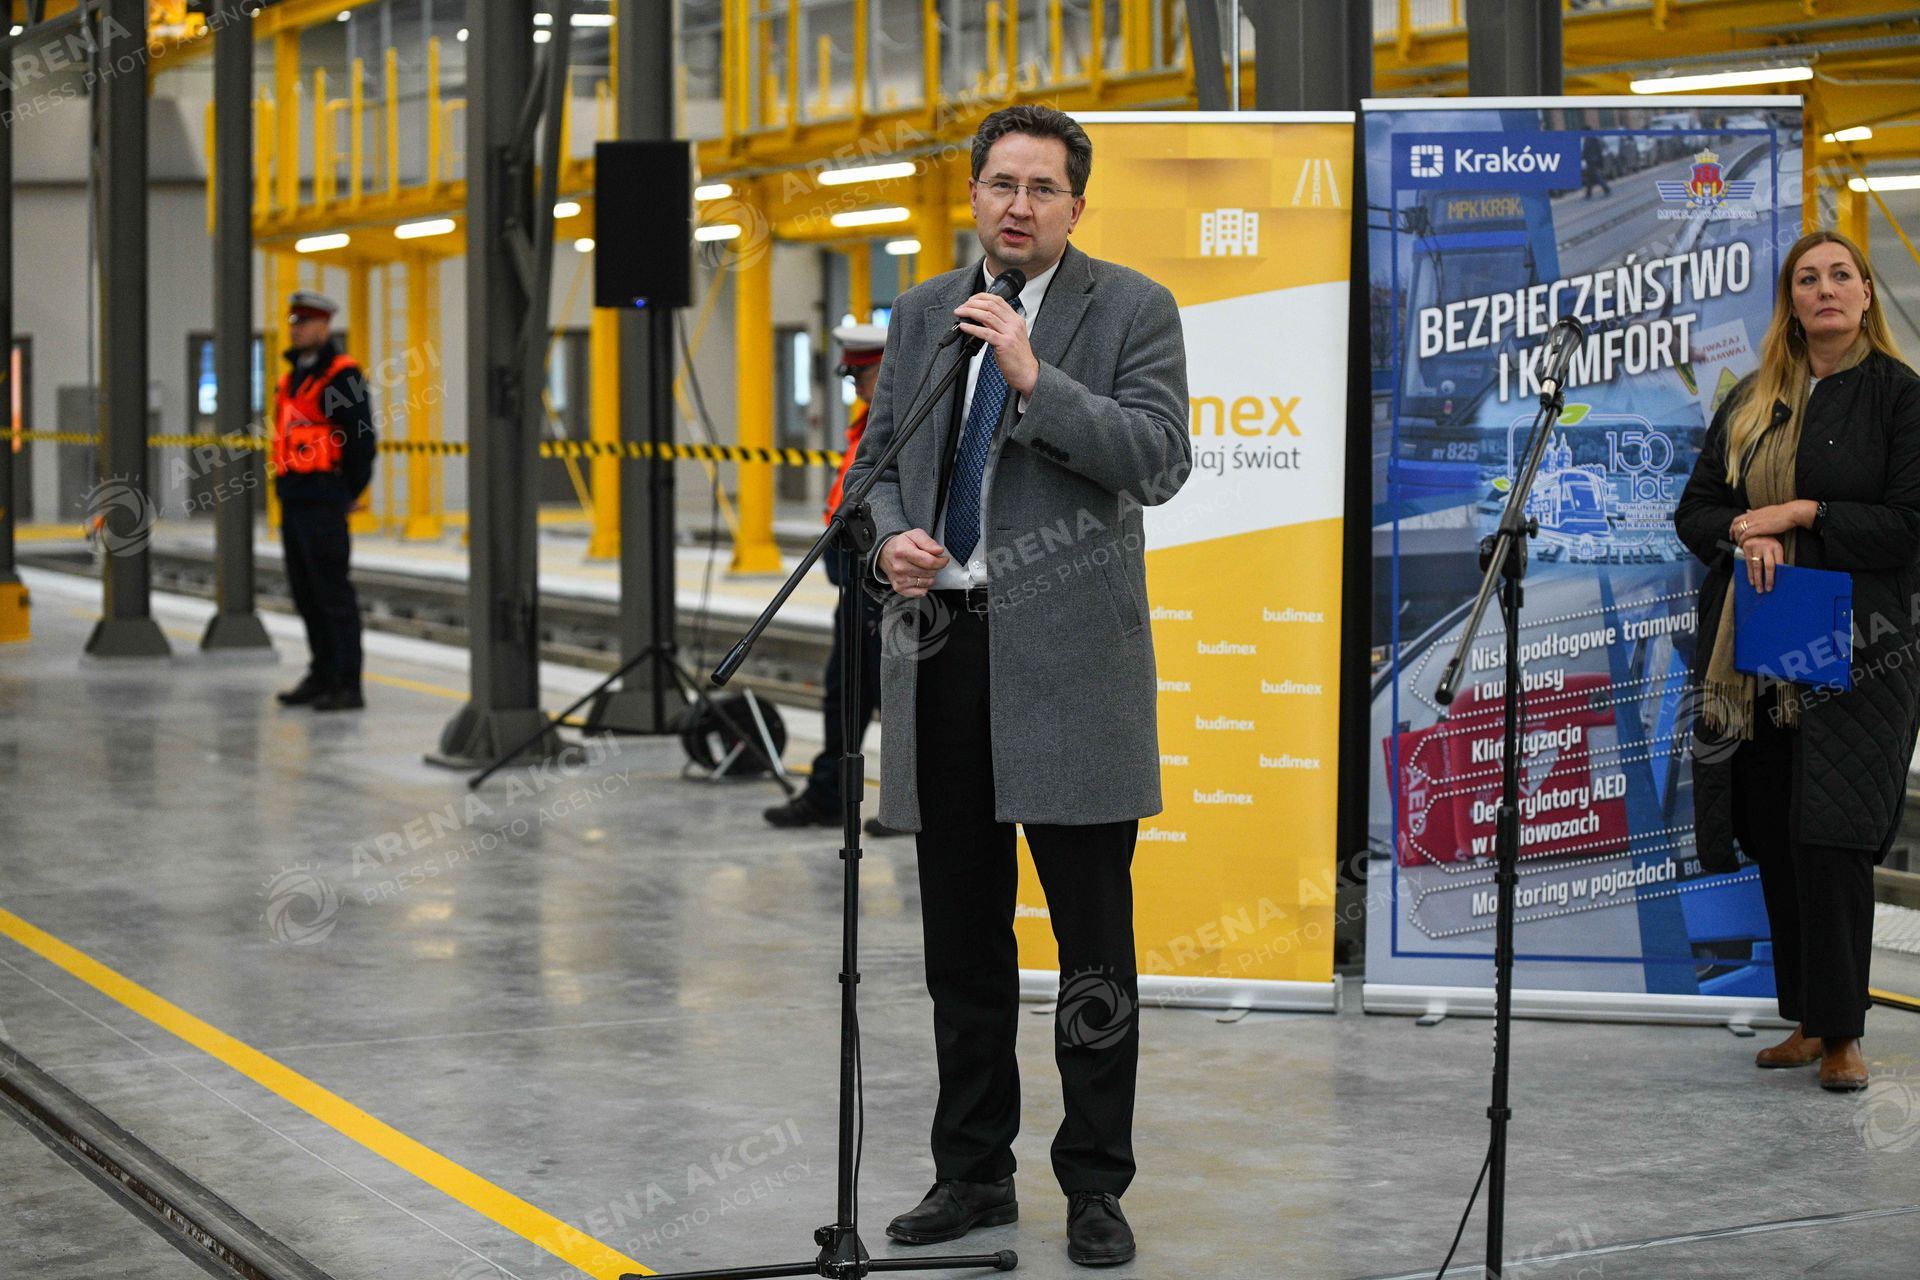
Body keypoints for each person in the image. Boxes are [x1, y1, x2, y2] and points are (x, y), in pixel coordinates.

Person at [843, 104, 1190, 1267]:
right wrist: (891, 533)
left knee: (1092, 944)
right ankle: (971, 1170)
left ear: (1076, 206)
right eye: (1002, 183)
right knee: (962, 939)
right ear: (974, 194)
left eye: (1043, 188)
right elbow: (878, 461)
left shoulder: (1132, 308)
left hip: (1073, 662)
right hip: (944, 644)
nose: (1019, 205)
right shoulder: (921, 311)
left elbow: (1160, 459)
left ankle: (1095, 1181)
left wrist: (1034, 377)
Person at [1675, 229, 1920, 1093]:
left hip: (1861, 652)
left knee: (1835, 836)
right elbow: (1696, 510)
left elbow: (1908, 527)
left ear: (1865, 295)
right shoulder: (1752, 399)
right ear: (1792, 301)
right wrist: (1745, 531)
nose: (1825, 289)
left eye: (1841, 275)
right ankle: (1809, 1022)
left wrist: (1801, 513)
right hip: (1756, 653)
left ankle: (1846, 1033)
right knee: (1776, 830)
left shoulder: (1899, 397)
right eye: (1807, 278)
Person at [763, 322, 903, 838]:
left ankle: (908, 804)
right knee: (845, 692)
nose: (856, 386)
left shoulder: (901, 422)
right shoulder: (865, 424)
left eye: (861, 375)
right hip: (855, 580)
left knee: (892, 696)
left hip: (883, 581)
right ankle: (829, 796)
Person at [272, 291, 376, 712]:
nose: (296, 329)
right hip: (294, 499)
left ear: (324, 326)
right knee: (306, 594)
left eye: (304, 322)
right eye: (293, 322)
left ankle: (347, 683)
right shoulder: (291, 379)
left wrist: (346, 493)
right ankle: (321, 674)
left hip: (324, 501)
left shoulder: (343, 376)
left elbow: (362, 441)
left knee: (333, 594)